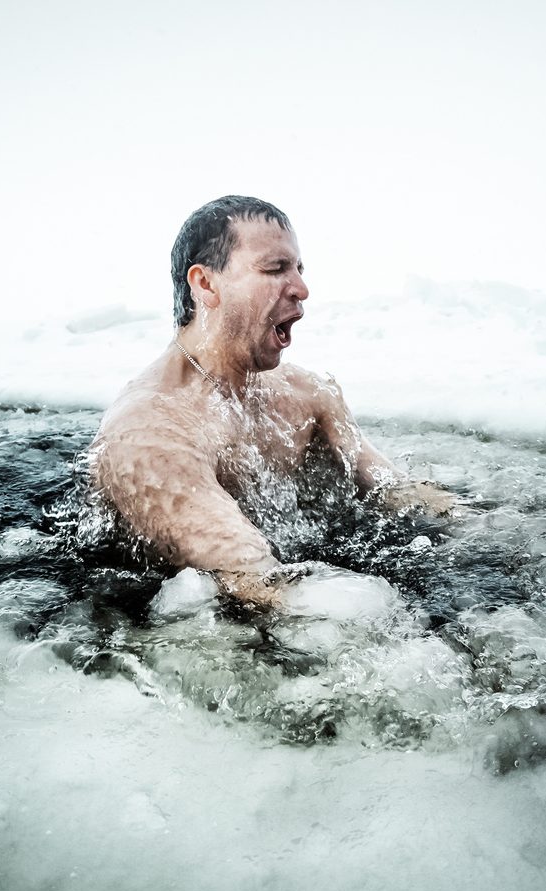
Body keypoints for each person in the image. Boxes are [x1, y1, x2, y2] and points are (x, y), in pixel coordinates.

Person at [91, 195, 453, 608]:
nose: (301, 288)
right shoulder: (151, 432)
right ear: (205, 284)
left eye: (299, 268)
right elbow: (254, 580)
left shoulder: (308, 394)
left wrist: (490, 530)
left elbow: (395, 490)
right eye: (275, 268)